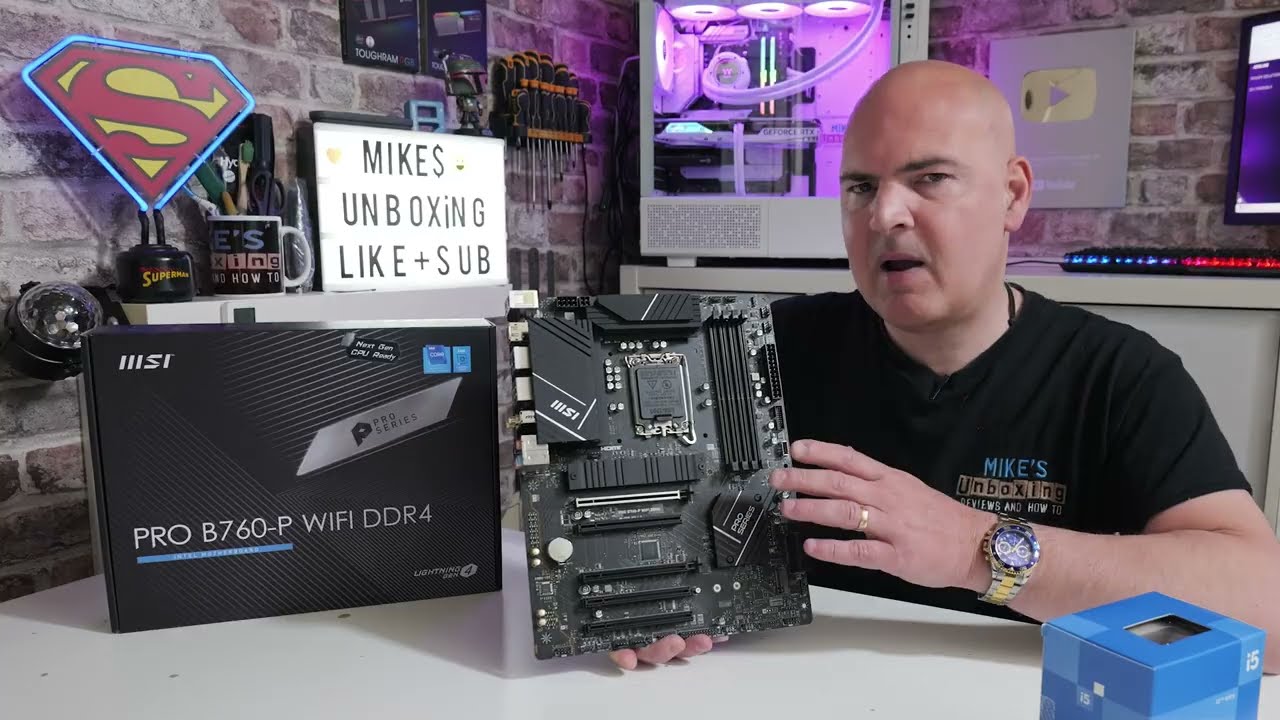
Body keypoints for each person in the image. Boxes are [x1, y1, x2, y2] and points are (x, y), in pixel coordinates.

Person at [608, 59, 1280, 672]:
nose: (884, 215)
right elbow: (643, 525)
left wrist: (974, 548)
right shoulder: (768, 349)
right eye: (861, 187)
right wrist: (646, 595)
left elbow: (1266, 611)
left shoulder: (1119, 376)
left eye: (929, 178)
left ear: (1013, 195)